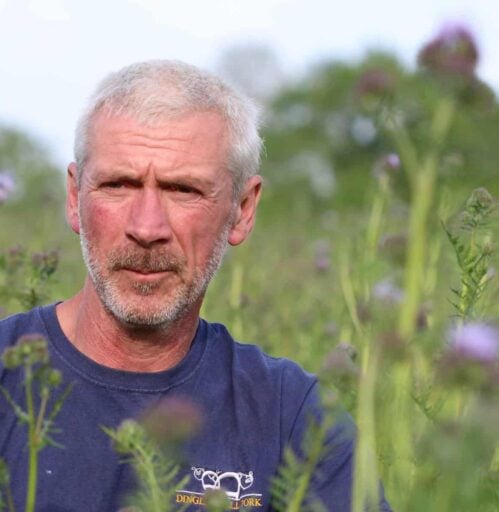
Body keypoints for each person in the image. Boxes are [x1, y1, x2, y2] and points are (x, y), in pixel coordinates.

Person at [0, 60, 392, 511]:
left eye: (183, 190)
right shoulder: (10, 375)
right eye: (119, 184)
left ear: (242, 210)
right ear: (74, 198)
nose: (146, 228)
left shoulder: (294, 418)